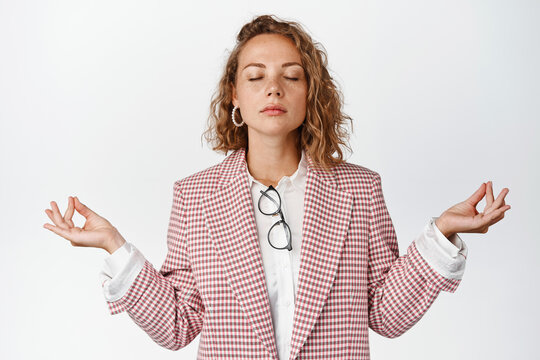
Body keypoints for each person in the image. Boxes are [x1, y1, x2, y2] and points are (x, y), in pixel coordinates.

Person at [43, 14, 510, 360]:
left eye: (291, 76)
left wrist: (443, 233)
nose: (274, 89)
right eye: (256, 77)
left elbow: (386, 314)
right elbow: (178, 326)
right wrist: (113, 245)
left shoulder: (360, 190)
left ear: (311, 94)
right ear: (235, 96)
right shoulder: (194, 197)